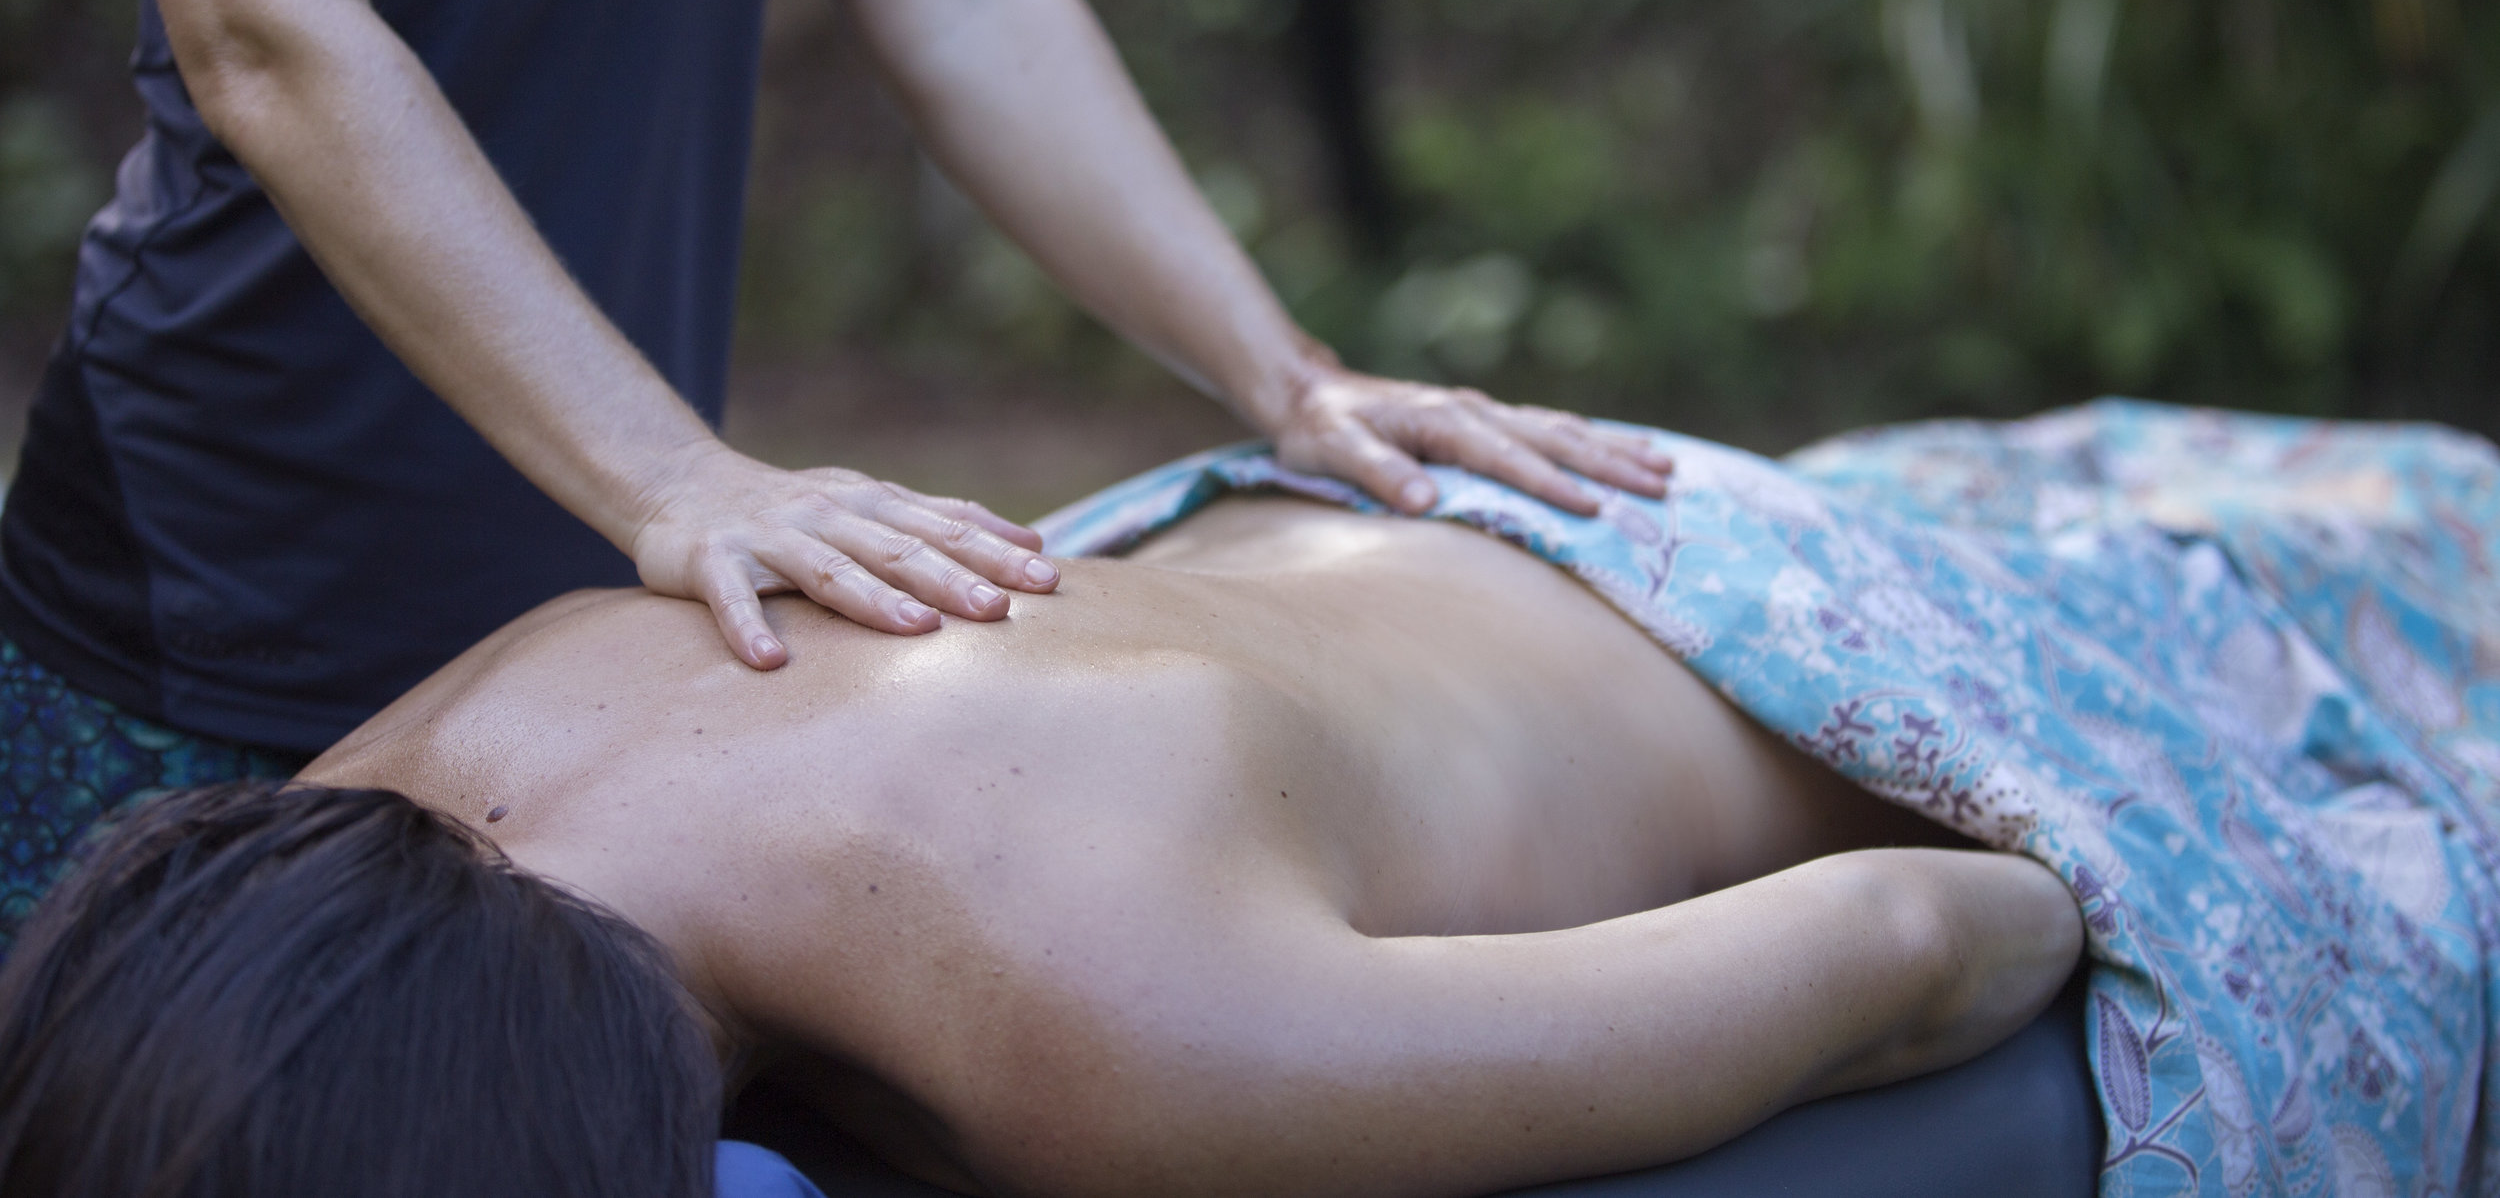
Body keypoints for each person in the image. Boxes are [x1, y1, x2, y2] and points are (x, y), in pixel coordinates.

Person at [0, 0, 1673, 939]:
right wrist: (680, 477)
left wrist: (1286, 377)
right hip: (205, 626)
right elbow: (271, 36)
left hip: (582, 652)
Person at [1, 450, 2091, 1198]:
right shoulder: (338, 825)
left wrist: (2093, 888)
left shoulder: (1100, 1028)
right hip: (1319, 551)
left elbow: (1912, 941)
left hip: (1771, 630)